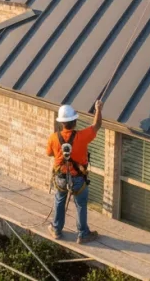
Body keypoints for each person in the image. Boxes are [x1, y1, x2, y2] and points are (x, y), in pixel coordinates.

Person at [46, 100, 102, 244]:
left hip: (60, 177)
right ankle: (83, 234)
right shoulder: (82, 136)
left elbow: (49, 153)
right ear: (74, 122)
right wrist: (98, 109)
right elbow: (97, 125)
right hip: (78, 178)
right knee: (81, 205)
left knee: (59, 201)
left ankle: (56, 229)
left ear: (61, 123)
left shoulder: (53, 138)